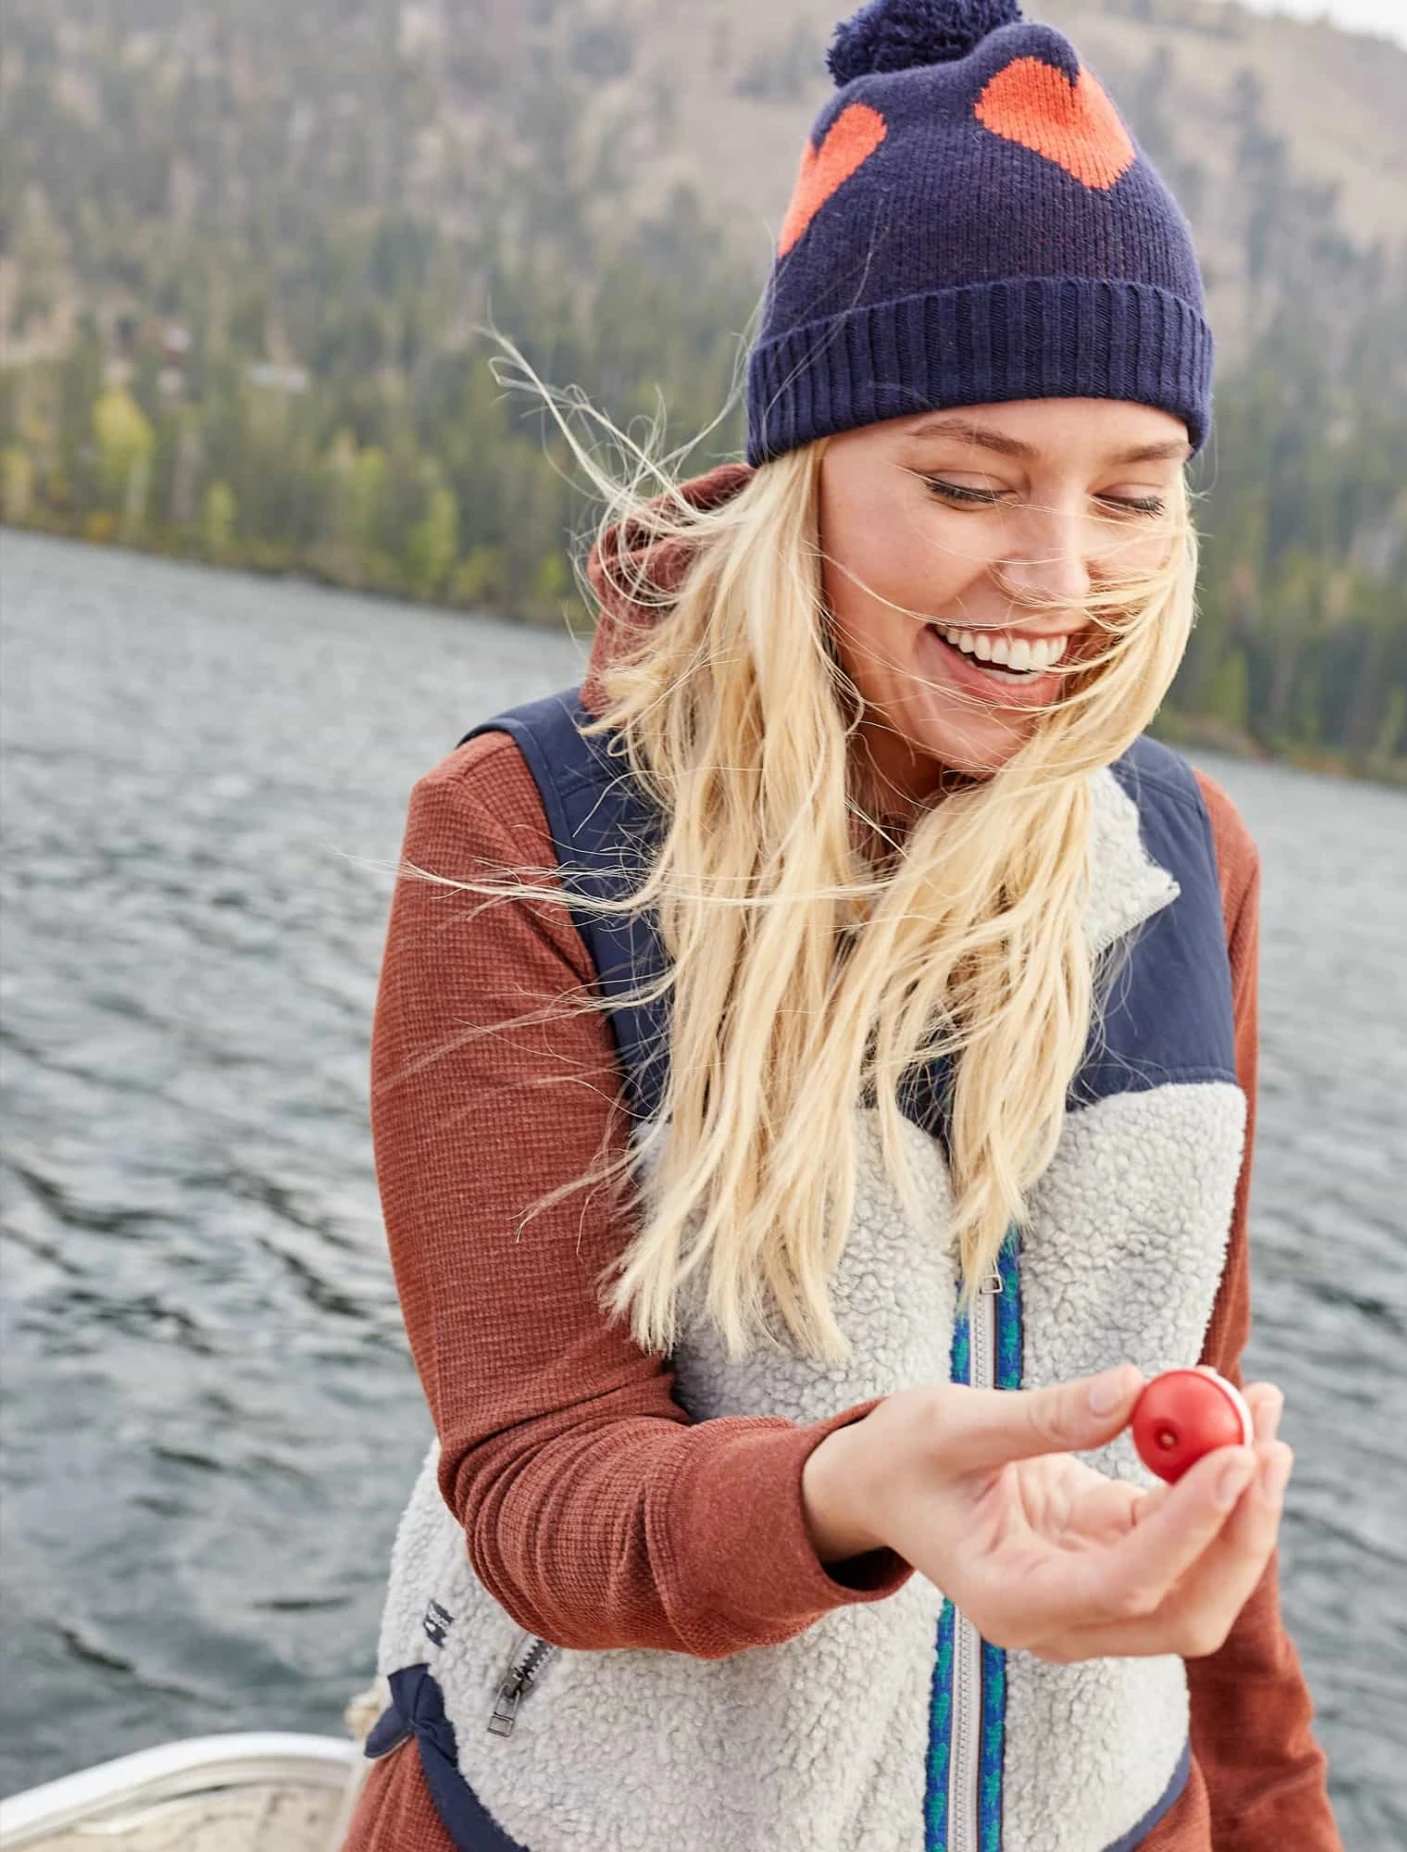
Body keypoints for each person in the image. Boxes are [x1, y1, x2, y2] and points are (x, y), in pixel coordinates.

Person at [344, 1, 1342, 1847]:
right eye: (966, 485)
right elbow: (542, 1489)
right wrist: (856, 1491)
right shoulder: (528, 836)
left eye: (1134, 496)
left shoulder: (1196, 860)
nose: (1060, 582)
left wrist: (1278, 1818)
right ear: (809, 477)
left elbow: (1200, 1428)